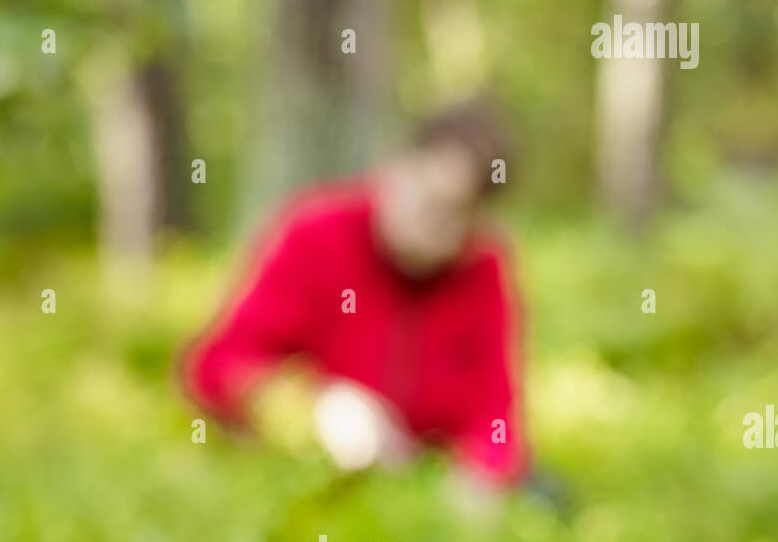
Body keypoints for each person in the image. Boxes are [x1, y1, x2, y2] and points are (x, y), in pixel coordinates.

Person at [177, 99, 529, 487]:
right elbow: (212, 368)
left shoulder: (482, 268)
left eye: (456, 214)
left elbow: (497, 415)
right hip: (302, 478)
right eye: (428, 200)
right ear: (395, 168)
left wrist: (482, 472)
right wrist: (315, 409)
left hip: (418, 486)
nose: (432, 228)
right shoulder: (315, 233)